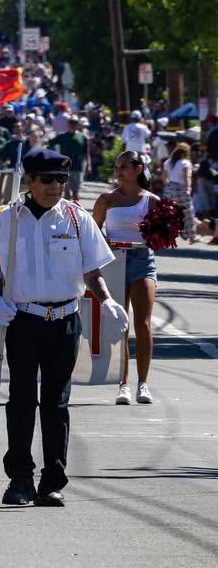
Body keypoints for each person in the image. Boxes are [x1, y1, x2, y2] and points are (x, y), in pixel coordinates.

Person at [0, 148, 128, 507]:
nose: (56, 186)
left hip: (64, 320)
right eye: (47, 179)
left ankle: (52, 481)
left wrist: (107, 300)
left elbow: (92, 271)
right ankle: (19, 479)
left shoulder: (76, 218)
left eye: (61, 179)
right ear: (28, 181)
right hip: (23, 319)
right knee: (21, 401)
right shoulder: (4, 219)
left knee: (56, 404)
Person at [92, 150, 158, 405]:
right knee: (121, 324)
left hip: (143, 262)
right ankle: (123, 384)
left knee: (143, 323)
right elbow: (92, 231)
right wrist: (105, 243)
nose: (119, 171)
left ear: (139, 169)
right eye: (117, 167)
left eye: (124, 167)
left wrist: (158, 238)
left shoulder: (151, 201)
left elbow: (163, 234)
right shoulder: (107, 199)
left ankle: (143, 383)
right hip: (114, 262)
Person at [162, 141, 197, 242]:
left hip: (170, 188)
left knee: (168, 213)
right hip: (181, 188)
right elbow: (187, 177)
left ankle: (165, 234)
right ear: (186, 152)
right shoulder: (185, 163)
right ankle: (190, 235)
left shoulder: (168, 162)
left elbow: (164, 177)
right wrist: (188, 188)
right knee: (187, 212)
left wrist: (169, 186)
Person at [53, 115, 89, 203]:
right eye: (71, 122)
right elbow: (48, 143)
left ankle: (77, 210)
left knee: (76, 193)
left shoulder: (82, 137)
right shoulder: (62, 136)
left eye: (75, 122)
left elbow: (86, 153)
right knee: (66, 192)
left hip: (77, 168)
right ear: (68, 123)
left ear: (78, 124)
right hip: (65, 168)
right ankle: (66, 210)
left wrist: (89, 165)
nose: (73, 124)